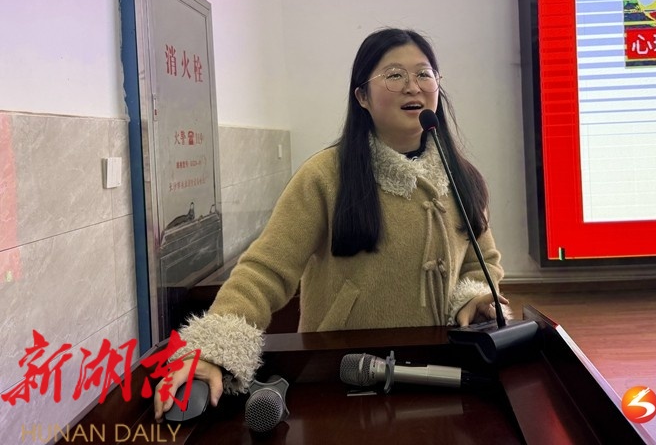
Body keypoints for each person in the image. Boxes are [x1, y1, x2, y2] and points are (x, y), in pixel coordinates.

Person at [154, 27, 508, 421]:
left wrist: (474, 296)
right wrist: (213, 351)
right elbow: (265, 270)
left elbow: (482, 262)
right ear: (362, 97)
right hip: (341, 374)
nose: (413, 86)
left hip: (439, 372)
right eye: (394, 75)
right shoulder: (325, 175)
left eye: (424, 74)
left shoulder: (461, 177)